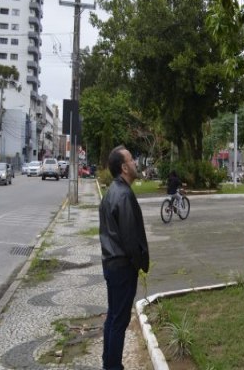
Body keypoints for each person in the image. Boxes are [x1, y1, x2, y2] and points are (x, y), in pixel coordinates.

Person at [99, 145, 149, 370]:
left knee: (113, 318)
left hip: (111, 264)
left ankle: (108, 363)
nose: (135, 163)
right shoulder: (124, 195)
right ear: (124, 167)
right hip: (122, 266)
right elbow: (130, 238)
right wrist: (139, 264)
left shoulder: (111, 192)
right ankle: (112, 366)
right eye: (131, 160)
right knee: (119, 322)